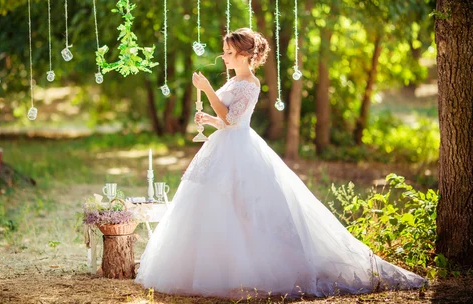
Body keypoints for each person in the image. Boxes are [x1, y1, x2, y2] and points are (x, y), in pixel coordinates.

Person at [135, 28, 426, 299]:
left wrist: (208, 89)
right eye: (224, 51)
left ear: (246, 55)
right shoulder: (234, 81)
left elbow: (233, 120)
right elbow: (225, 120)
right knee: (217, 206)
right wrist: (208, 119)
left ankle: (255, 271)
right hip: (223, 147)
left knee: (247, 210)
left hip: (241, 151)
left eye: (228, 52)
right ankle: (215, 268)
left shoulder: (250, 83)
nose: (223, 56)